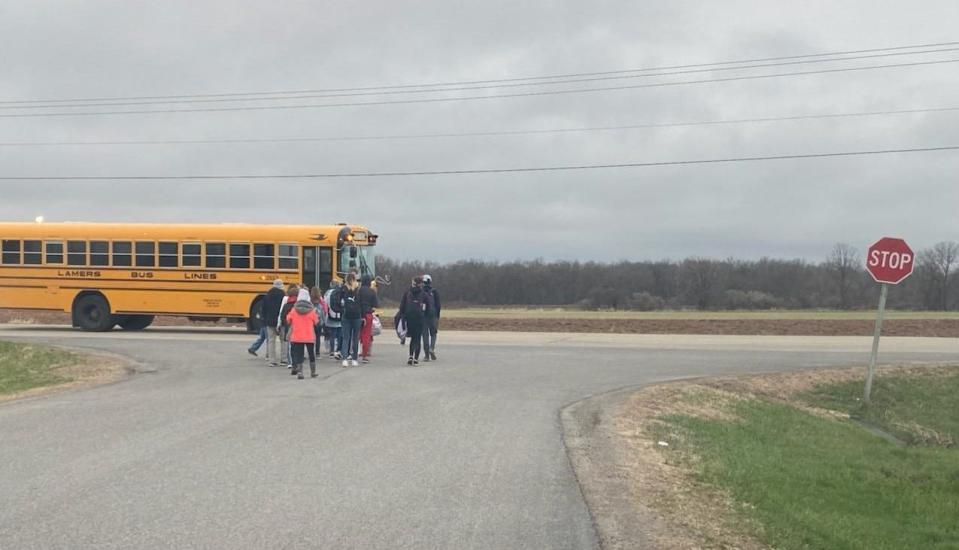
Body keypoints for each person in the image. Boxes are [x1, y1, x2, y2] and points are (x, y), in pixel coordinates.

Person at [399, 276, 434, 366]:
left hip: (409, 318)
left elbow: (402, 307)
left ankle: (410, 356)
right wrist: (424, 316)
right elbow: (429, 308)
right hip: (419, 318)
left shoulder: (407, 293)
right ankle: (416, 358)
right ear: (421, 284)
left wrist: (403, 317)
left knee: (412, 339)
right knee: (417, 338)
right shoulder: (423, 294)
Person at [286, 288, 319, 379]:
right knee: (311, 354)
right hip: (309, 336)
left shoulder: (294, 310)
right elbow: (316, 321)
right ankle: (313, 372)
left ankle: (300, 372)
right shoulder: (311, 311)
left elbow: (288, 319)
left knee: (299, 354)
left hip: (297, 336)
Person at [256, 278, 286, 366]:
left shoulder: (267, 296)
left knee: (271, 341)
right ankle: (283, 359)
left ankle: (271, 360)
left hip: (269, 321)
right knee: (283, 340)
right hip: (281, 321)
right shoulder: (283, 296)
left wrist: (264, 320)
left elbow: (263, 310)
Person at [339, 273, 363, 367]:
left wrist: (341, 310)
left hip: (346, 315)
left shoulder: (343, 289)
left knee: (346, 338)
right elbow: (362, 302)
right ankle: (354, 359)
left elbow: (338, 300)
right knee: (355, 338)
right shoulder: (358, 289)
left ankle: (345, 358)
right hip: (357, 315)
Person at [358, 274, 379, 363]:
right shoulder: (372, 292)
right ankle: (364, 355)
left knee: (356, 334)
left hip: (358, 314)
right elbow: (376, 305)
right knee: (366, 335)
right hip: (368, 315)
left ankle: (353, 353)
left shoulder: (358, 291)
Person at [277, 284, 299, 368]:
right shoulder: (298, 305)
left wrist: (283, 324)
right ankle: (297, 361)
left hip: (288, 327)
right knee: (297, 345)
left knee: (289, 345)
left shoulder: (286, 305)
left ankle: (290, 362)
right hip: (298, 327)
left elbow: (282, 316)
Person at [422, 274, 441, 361]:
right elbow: (438, 305)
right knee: (433, 333)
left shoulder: (420, 292)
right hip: (433, 315)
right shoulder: (434, 291)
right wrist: (437, 316)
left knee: (425, 335)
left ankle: (426, 355)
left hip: (423, 316)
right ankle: (431, 348)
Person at [324, 281, 343, 359]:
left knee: (332, 334)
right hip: (340, 315)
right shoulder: (340, 292)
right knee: (339, 334)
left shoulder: (328, 293)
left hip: (331, 314)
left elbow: (325, 303)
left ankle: (331, 351)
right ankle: (338, 350)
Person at [310, 287, 328, 358]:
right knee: (318, 337)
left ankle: (311, 352)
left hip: (311, 322)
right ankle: (317, 353)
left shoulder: (310, 300)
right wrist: (324, 321)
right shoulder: (321, 300)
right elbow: (325, 310)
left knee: (311, 338)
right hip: (319, 321)